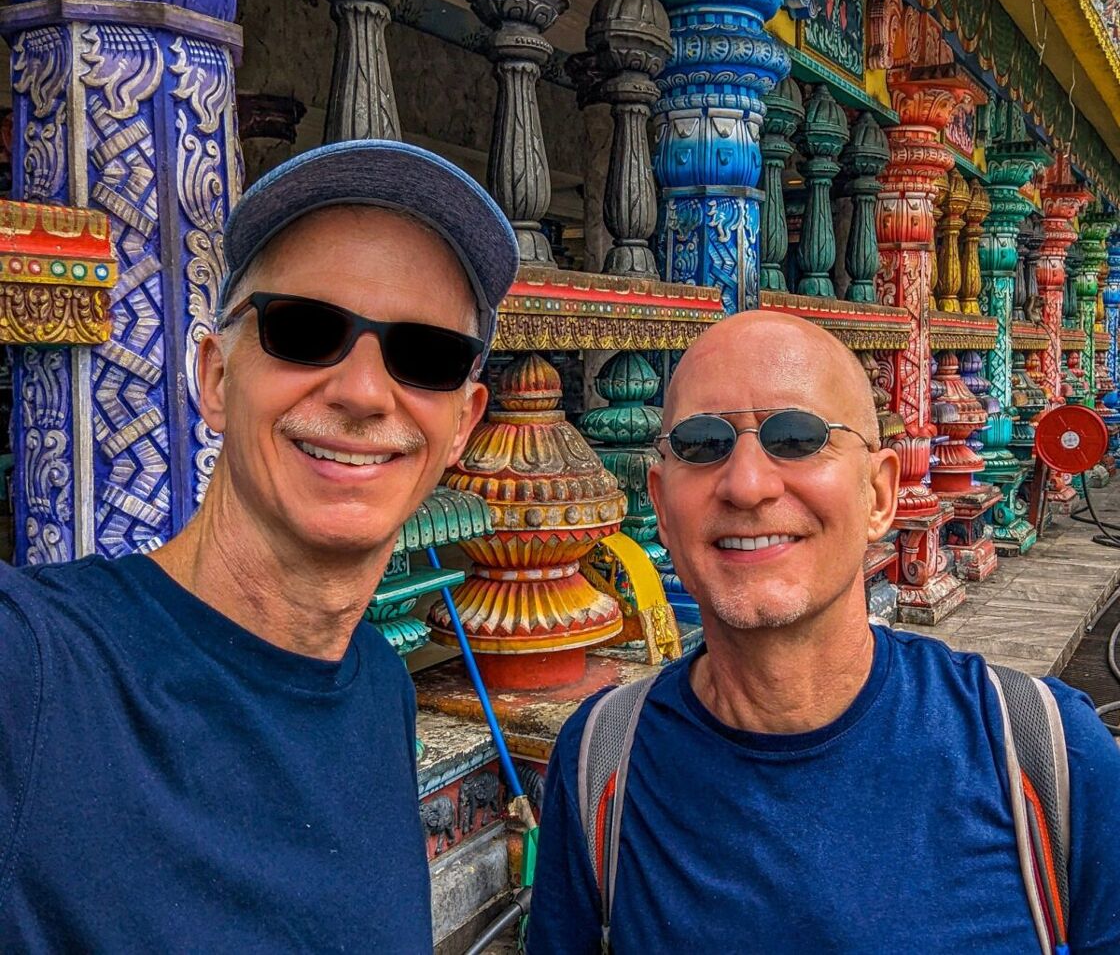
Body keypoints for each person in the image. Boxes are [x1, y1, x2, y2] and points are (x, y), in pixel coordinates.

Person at [0, 140, 518, 951]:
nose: (361, 392)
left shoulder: (380, 692)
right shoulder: (38, 673)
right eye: (304, 330)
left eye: (426, 358)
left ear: (464, 421)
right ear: (213, 376)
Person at [527, 311, 1120, 953]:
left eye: (798, 438)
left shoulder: (1044, 753)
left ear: (879, 494)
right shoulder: (602, 763)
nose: (747, 485)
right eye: (703, 444)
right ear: (661, 506)